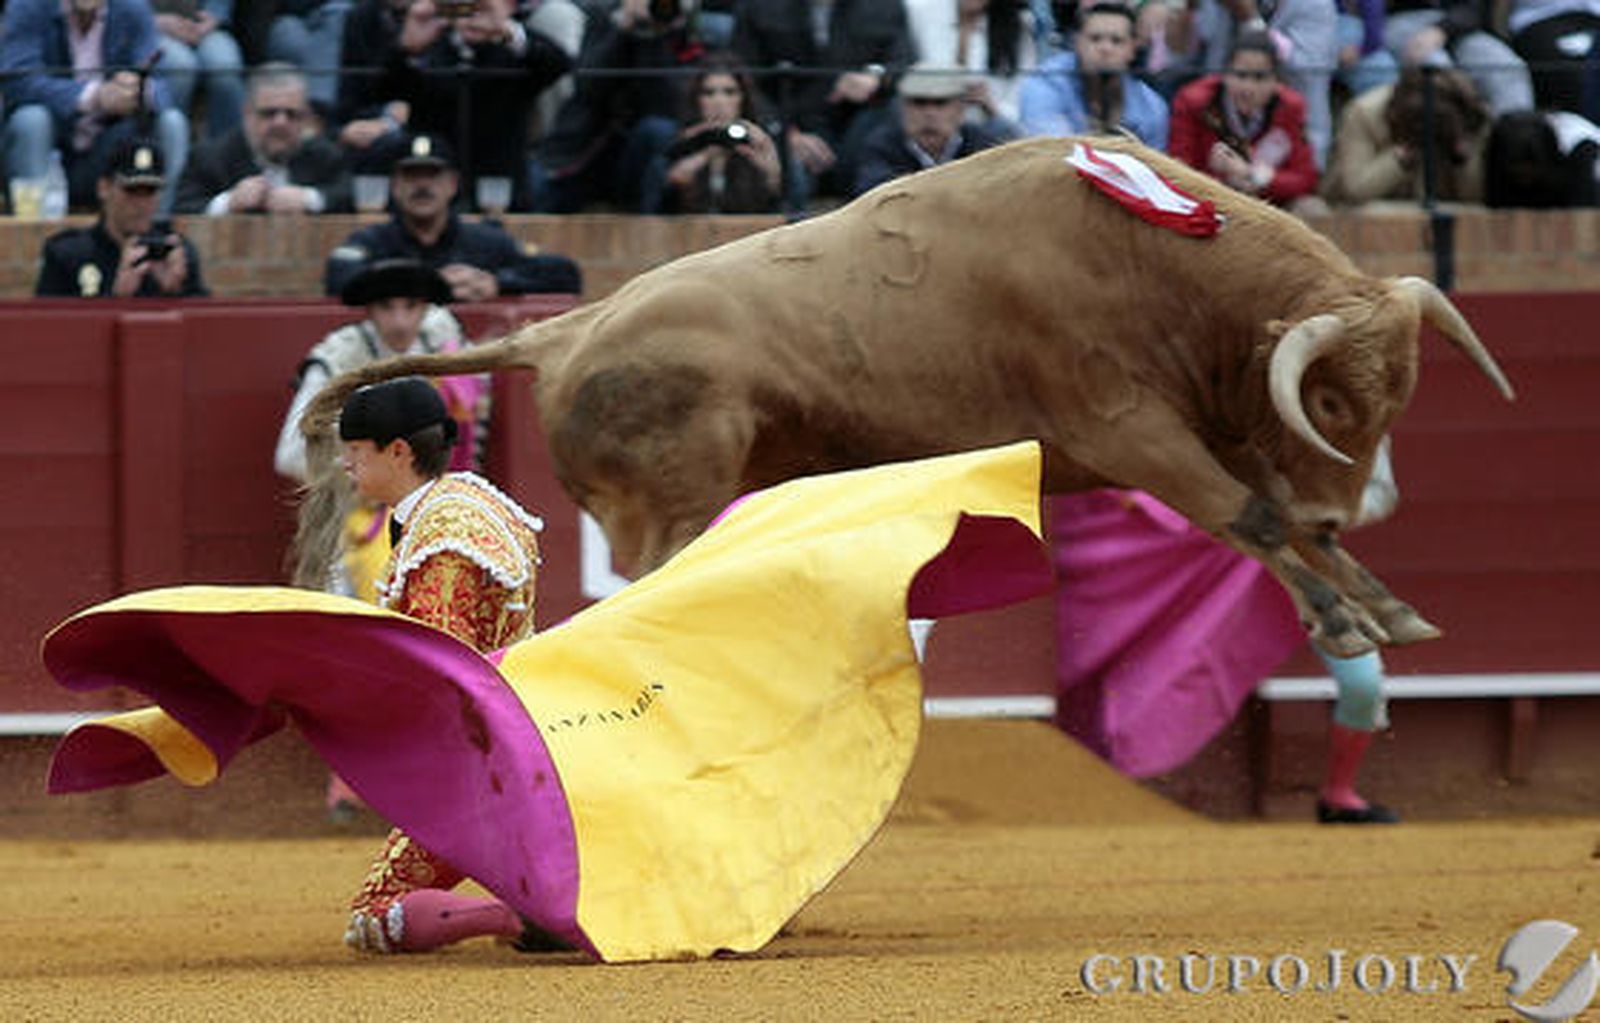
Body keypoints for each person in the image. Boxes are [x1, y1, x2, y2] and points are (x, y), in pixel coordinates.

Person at [1052, 438, 1405, 824]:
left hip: (1308, 564)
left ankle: (1339, 795)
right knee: (1176, 649)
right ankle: (1108, 776)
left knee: (1363, 684)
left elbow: (1381, 496)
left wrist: (1327, 513)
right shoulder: (1250, 403)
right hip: (1231, 554)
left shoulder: (1363, 424)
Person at [313, 376, 546, 953]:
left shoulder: (444, 542)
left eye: (355, 451)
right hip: (525, 741)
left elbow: (444, 669)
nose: (346, 464)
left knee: (376, 917)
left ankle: (527, 915)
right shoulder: (466, 501)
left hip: (484, 766)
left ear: (398, 452)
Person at [338, 0, 571, 213]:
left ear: (510, 7)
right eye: (467, 7)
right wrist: (406, 48)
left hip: (501, 190)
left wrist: (507, 31)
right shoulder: (431, 48)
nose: (474, 15)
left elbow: (558, 64)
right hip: (433, 189)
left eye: (482, 8)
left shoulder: (516, 52)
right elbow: (380, 91)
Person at [323, 131, 583, 299]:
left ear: (453, 185)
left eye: (433, 175)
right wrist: (425, 284)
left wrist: (497, 283)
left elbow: (564, 274)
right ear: (394, 186)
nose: (422, 186)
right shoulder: (373, 241)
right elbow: (338, 278)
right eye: (411, 176)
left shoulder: (485, 240)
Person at [1, 0, 191, 213]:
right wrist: (95, 96)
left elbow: (164, 85)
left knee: (171, 122)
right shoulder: (28, 5)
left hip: (109, 148)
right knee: (31, 119)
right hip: (53, 144)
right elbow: (17, 82)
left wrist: (136, 90)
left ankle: (156, 230)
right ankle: (33, 225)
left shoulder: (133, 7)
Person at [530, 0, 710, 214]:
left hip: (640, 158)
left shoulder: (683, 33)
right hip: (584, 149)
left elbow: (669, 104)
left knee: (658, 129)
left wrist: (660, 34)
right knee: (536, 182)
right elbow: (588, 88)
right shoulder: (604, 18)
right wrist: (623, 28)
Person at [732, 0, 917, 203]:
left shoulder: (883, 6)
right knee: (788, 171)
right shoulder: (759, 7)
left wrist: (876, 77)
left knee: (883, 146)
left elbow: (904, 61)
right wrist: (786, 133)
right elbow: (745, 81)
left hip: (862, 121)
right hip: (791, 123)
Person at [1167, 29, 1321, 211]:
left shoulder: (1291, 107)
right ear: (1224, 75)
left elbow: (1306, 178)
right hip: (1209, 202)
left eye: (1260, 77)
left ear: (1276, 81)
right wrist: (1222, 177)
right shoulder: (1193, 102)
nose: (1248, 88)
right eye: (1240, 75)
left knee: (1312, 208)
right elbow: (1177, 172)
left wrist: (1252, 175)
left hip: (1270, 202)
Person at [35, 136, 208, 297]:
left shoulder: (174, 255)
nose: (141, 203)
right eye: (131, 191)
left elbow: (206, 325)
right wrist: (115, 298)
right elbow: (48, 325)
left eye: (150, 191)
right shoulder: (68, 255)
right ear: (104, 188)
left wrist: (175, 292)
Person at [174, 63, 353, 215]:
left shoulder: (324, 155)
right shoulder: (209, 158)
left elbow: (350, 196)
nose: (280, 123)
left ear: (305, 118)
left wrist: (310, 199)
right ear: (247, 114)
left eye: (291, 114)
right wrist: (229, 202)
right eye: (269, 113)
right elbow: (182, 209)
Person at [1321, 66, 1490, 204]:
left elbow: (1477, 199)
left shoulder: (1471, 114)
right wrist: (1401, 156)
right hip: (1374, 210)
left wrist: (1462, 159)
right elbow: (1354, 190)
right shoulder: (1365, 111)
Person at [1017, 1, 1170, 148]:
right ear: (1077, 42)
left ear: (1132, 48)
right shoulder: (1045, 83)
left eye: (1116, 41)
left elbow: (1154, 167)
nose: (1105, 48)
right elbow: (1052, 154)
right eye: (1095, 39)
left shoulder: (1152, 106)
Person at [650, 54, 783, 214]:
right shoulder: (679, 146)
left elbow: (781, 217)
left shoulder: (758, 145)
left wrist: (772, 174)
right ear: (696, 99)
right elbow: (651, 215)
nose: (719, 102)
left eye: (729, 92)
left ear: (743, 98)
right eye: (708, 93)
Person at [853, 64, 1008, 195]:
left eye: (940, 103)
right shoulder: (882, 144)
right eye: (919, 102)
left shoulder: (983, 144)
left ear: (960, 109)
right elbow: (871, 193)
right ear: (903, 107)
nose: (929, 113)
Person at [904, 0, 1041, 131]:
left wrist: (990, 105)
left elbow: (1023, 95)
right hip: (931, 125)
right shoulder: (921, 10)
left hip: (990, 130)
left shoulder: (1018, 24)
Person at [153, 0, 247, 142]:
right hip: (151, 29)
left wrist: (214, 16)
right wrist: (154, 22)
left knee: (224, 68)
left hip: (203, 27)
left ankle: (227, 151)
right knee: (180, 68)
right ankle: (169, 148)